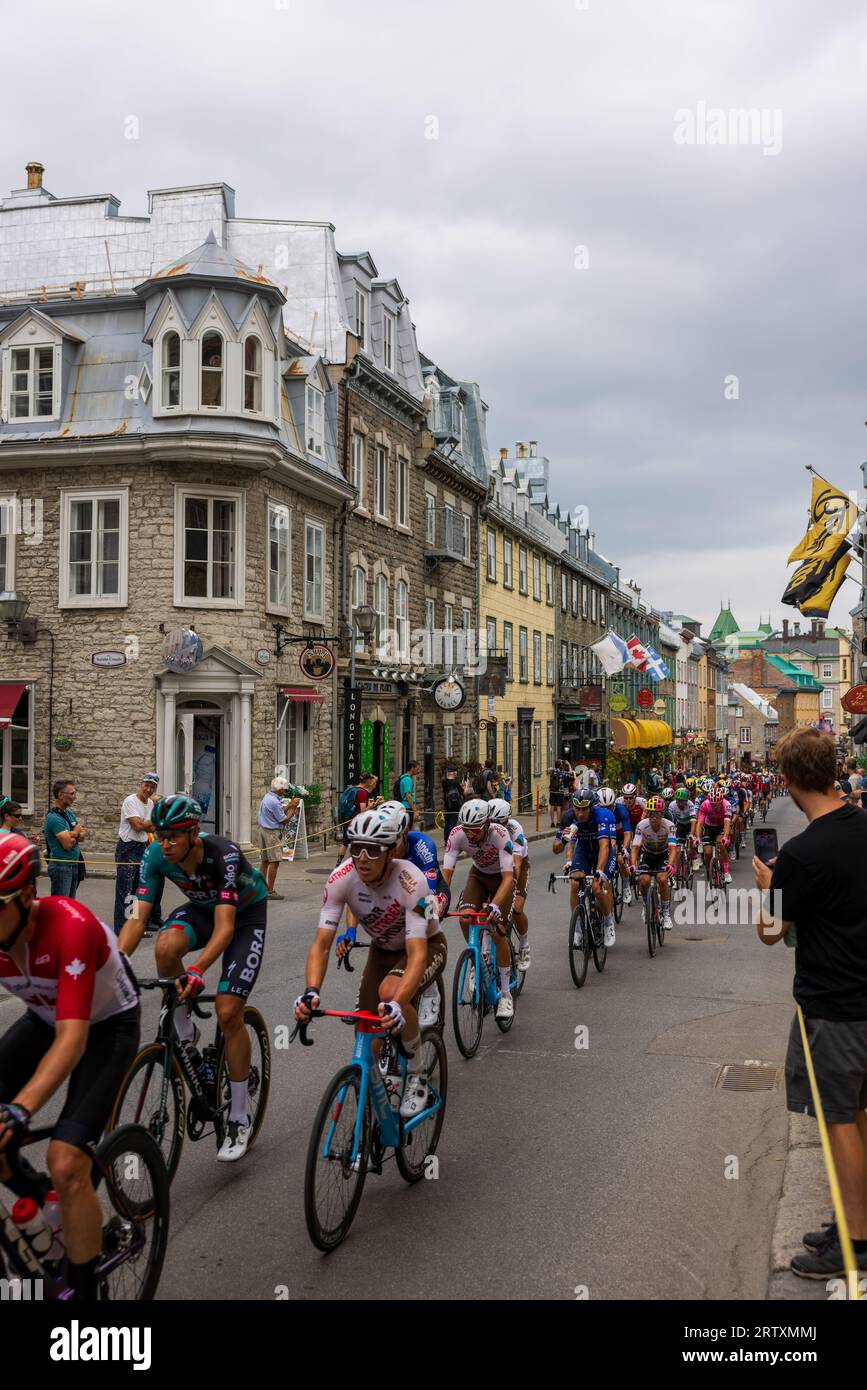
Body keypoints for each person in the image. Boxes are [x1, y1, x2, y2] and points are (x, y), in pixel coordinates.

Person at [0, 834, 140, 1301]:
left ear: (25, 896)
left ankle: (82, 1297)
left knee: (66, 1162)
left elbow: (73, 1039)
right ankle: (42, 1198)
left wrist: (21, 1108)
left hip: (106, 1025)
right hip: (43, 1017)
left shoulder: (70, 926)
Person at [754, 727, 867, 1278]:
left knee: (839, 1120)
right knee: (860, 1112)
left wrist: (768, 887)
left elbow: (772, 933)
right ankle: (856, 1218)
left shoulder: (801, 853)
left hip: (833, 1005)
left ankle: (856, 1244)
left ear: (790, 780)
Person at [119, 795, 268, 1163]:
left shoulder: (224, 855)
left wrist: (199, 969)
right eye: (159, 835)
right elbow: (138, 918)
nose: (164, 843)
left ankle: (237, 1116)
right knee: (165, 947)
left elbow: (226, 928)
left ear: (193, 833)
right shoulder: (155, 856)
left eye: (172, 836)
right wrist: (115, 962)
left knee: (229, 1012)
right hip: (203, 909)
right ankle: (185, 1032)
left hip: (244, 916)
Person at [294, 804, 447, 1118]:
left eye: (373, 850)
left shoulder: (412, 879)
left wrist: (398, 1002)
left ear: (391, 852)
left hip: (426, 944)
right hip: (383, 948)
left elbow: (417, 954)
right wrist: (311, 992)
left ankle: (417, 1074)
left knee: (391, 994)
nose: (362, 858)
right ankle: (374, 1104)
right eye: (356, 848)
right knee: (366, 1031)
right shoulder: (341, 877)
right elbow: (321, 945)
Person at [443, 799, 517, 1018]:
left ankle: (505, 994)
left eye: (475, 830)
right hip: (478, 875)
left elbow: (508, 878)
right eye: (467, 830)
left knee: (497, 929)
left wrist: (495, 905)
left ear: (486, 824)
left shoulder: (500, 834)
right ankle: (476, 960)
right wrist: (439, 900)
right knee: (465, 918)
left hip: (501, 880)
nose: (470, 835)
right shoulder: (457, 834)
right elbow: (446, 873)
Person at [555, 789, 617, 947]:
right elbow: (555, 848)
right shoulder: (568, 816)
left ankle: (608, 921)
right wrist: (563, 840)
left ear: (592, 807)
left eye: (584, 809)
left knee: (598, 887)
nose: (580, 813)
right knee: (575, 883)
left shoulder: (603, 815)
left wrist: (599, 871)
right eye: (577, 809)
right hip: (583, 852)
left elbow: (604, 846)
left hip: (602, 852)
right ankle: (578, 928)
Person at [114, 774, 159, 932]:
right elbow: (137, 826)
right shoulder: (130, 801)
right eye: (146, 785)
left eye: (152, 787)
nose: (148, 789)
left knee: (136, 891)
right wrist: (151, 823)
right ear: (141, 784)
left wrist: (148, 824)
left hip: (141, 846)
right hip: (127, 847)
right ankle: (121, 928)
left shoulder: (151, 803)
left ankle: (132, 927)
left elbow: (151, 827)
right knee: (124, 890)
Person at [256, 776, 299, 897]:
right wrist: (294, 807)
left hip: (263, 830)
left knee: (265, 861)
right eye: (283, 789)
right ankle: (269, 891)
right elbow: (284, 820)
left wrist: (289, 805)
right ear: (279, 790)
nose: (284, 791)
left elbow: (278, 812)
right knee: (274, 862)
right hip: (271, 833)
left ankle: (261, 889)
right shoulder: (274, 801)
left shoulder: (268, 796)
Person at [43, 779, 85, 900]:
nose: (74, 797)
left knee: (70, 905)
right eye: (72, 793)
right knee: (61, 905)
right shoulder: (54, 818)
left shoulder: (69, 813)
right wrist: (76, 831)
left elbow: (83, 836)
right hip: (61, 867)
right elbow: (67, 844)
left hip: (73, 865)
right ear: (61, 795)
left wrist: (72, 834)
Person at [441, 766, 464, 841]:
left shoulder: (444, 782)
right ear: (454, 773)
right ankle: (451, 840)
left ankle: (446, 840)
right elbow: (462, 792)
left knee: (447, 823)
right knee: (453, 823)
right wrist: (465, 785)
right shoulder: (456, 783)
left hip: (447, 805)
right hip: (455, 806)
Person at [397, 761, 421, 829]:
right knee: (407, 829)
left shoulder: (403, 777)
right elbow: (408, 795)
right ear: (412, 768)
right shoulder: (408, 779)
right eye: (417, 769)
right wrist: (414, 810)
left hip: (405, 806)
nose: (419, 771)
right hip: (407, 807)